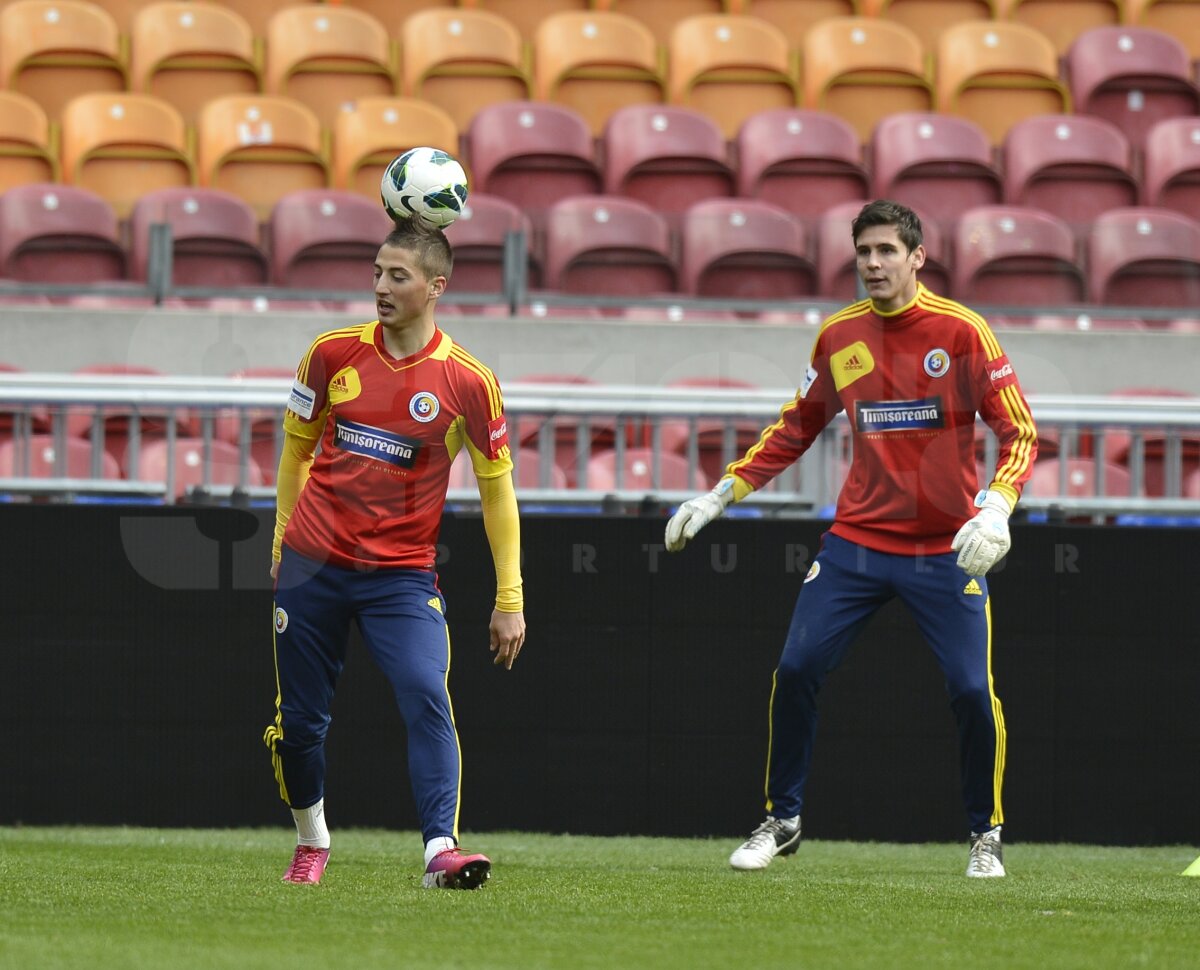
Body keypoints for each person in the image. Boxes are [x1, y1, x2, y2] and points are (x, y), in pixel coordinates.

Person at [664, 200, 1036, 879]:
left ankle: (985, 832)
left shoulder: (962, 332)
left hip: (944, 550)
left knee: (970, 691)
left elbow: (1020, 431)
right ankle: (783, 820)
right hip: (858, 544)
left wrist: (999, 506)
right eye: (863, 251)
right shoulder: (839, 336)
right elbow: (795, 426)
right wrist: (723, 492)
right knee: (797, 670)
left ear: (917, 257)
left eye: (887, 250)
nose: (872, 262)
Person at [263, 218, 526, 889]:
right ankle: (312, 840)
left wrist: (509, 598)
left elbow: (498, 495)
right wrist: (281, 538)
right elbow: (296, 449)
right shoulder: (330, 355)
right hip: (313, 565)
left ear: (436, 287)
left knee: (424, 692)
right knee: (299, 725)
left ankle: (441, 851)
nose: (381, 287)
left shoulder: (468, 382)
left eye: (397, 276)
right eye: (377, 272)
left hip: (402, 578)